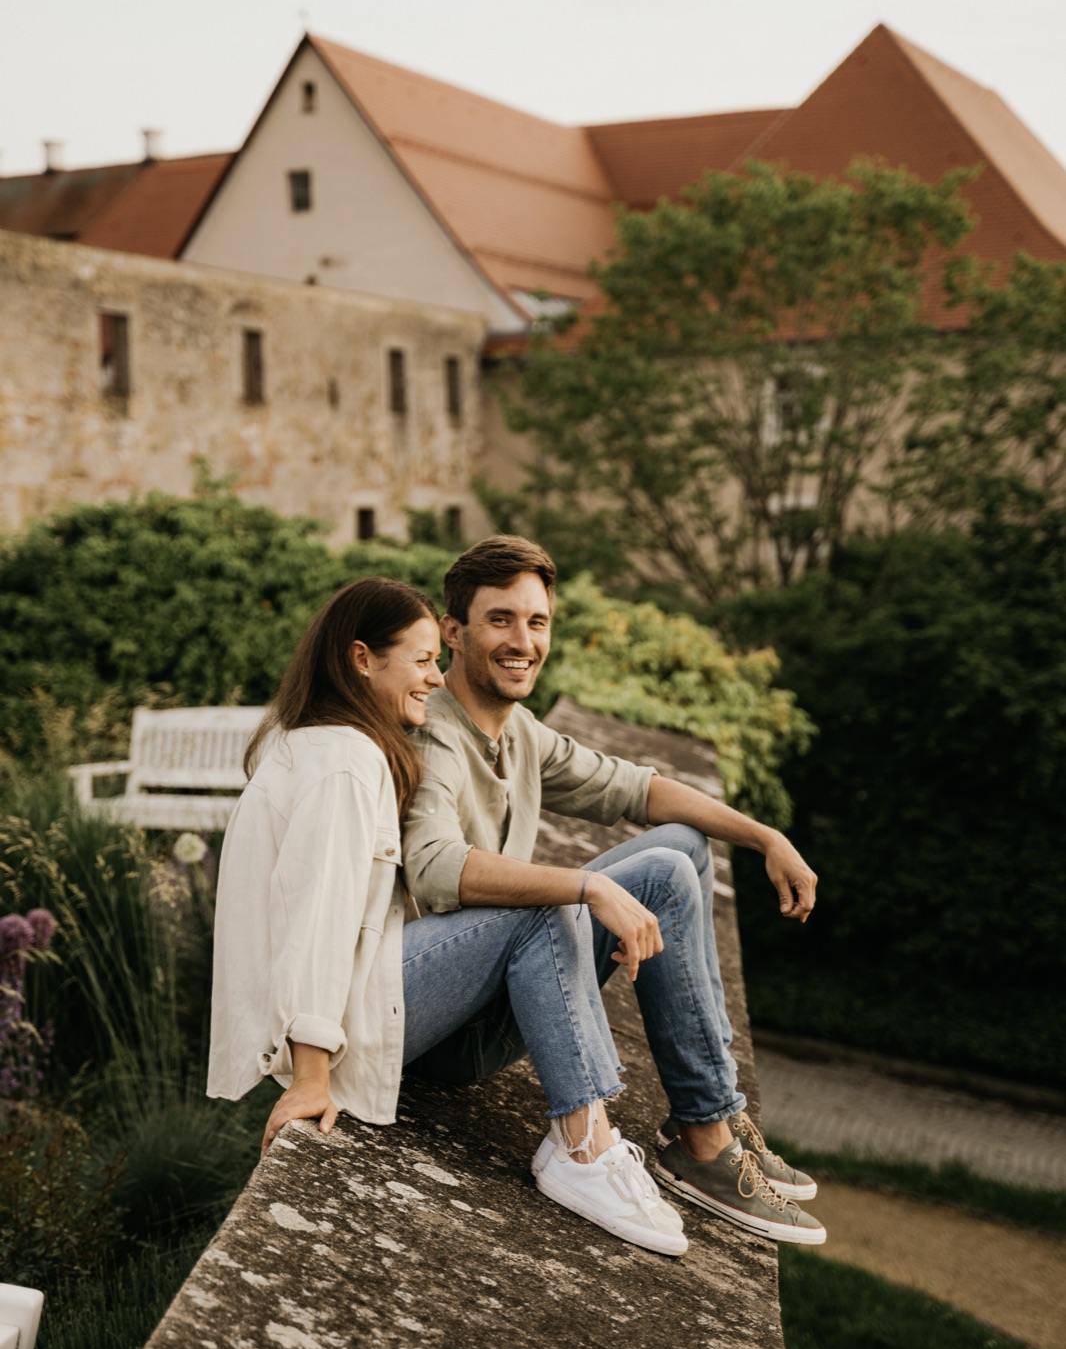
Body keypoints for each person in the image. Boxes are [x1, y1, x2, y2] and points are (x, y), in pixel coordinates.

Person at [208, 575, 690, 1256]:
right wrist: (313, 1076)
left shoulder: (324, 740)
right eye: (424, 659)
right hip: (350, 1023)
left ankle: (644, 1130)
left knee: (654, 867)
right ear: (361, 658)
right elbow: (317, 922)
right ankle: (583, 1146)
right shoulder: (347, 764)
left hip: (373, 997)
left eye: (439, 659)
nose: (437, 679)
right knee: (544, 903)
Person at [402, 536, 827, 1247]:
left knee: (683, 847)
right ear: (454, 631)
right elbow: (437, 867)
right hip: (425, 1023)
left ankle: (711, 1114)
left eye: (537, 622)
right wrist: (588, 884)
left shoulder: (520, 734)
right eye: (501, 619)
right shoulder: (432, 735)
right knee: (621, 881)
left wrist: (764, 837)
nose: (523, 640)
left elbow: (640, 788)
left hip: (489, 999)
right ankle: (681, 1138)